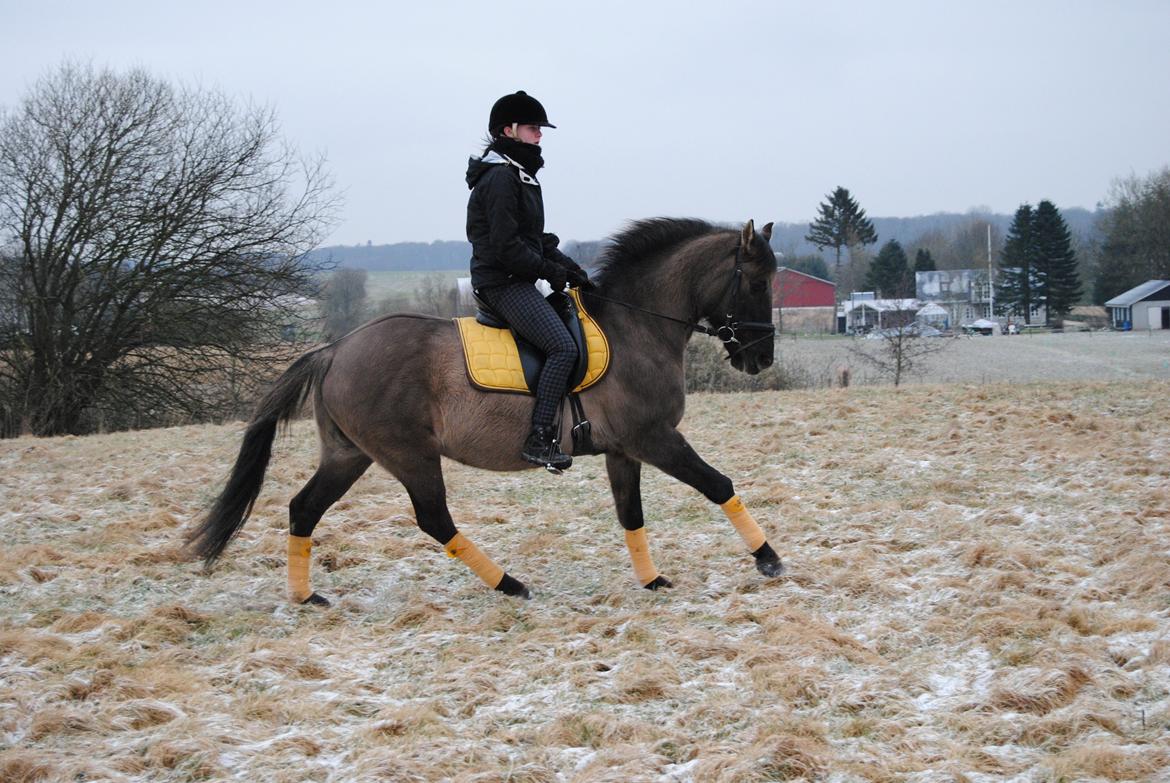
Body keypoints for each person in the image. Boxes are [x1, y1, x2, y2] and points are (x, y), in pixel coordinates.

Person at [465, 91, 592, 471]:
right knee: (562, 348)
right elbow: (508, 248)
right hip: (501, 283)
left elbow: (534, 239)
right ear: (509, 130)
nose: (540, 135)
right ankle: (539, 438)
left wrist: (572, 269)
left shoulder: (519, 175)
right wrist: (552, 273)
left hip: (515, 277)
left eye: (540, 128)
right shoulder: (502, 177)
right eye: (533, 128)